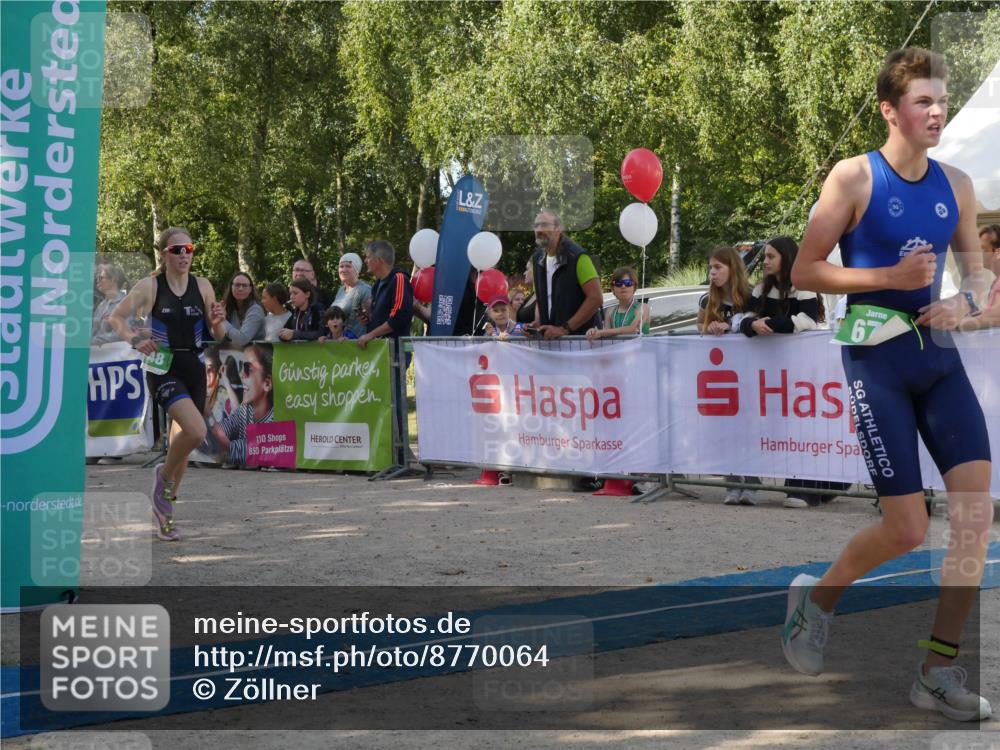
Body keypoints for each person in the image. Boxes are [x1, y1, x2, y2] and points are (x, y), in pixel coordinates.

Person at [787, 48, 993, 720]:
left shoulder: (957, 184)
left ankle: (937, 671)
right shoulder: (853, 177)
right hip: (876, 361)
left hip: (939, 359)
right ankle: (817, 600)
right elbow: (804, 270)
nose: (937, 112)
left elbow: (979, 276)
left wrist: (965, 302)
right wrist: (888, 279)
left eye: (942, 101)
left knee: (974, 517)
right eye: (923, 101)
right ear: (889, 110)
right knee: (906, 529)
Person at [109, 226, 226, 541]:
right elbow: (116, 317)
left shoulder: (203, 286)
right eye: (176, 250)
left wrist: (218, 321)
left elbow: (218, 334)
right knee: (197, 431)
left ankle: (165, 515)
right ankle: (161, 478)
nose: (184, 255)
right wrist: (134, 338)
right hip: (163, 368)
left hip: (195, 368)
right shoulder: (150, 286)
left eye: (189, 249)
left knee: (183, 450)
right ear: (164, 254)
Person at [695, 247, 762, 505]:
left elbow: (758, 323)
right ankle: (732, 483)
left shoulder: (751, 296)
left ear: (732, 269)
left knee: (748, 429)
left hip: (748, 371)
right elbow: (699, 324)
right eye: (710, 267)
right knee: (725, 429)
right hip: (720, 374)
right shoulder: (707, 300)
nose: (712, 272)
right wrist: (709, 326)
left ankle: (752, 482)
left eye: (718, 267)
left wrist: (732, 326)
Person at [530, 209, 602, 339]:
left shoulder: (577, 256)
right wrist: (538, 323)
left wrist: (565, 329)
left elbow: (596, 298)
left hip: (582, 341)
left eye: (545, 225)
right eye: (536, 225)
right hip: (552, 343)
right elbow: (541, 299)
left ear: (558, 229)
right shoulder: (536, 259)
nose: (539, 230)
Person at [208, 343, 274, 468]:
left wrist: (208, 418)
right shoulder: (246, 409)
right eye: (240, 367)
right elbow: (226, 427)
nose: (241, 374)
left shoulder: (276, 418)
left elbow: (248, 450)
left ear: (267, 383)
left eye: (248, 368)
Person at [356, 240, 414, 350]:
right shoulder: (377, 285)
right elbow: (383, 318)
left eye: (368, 257)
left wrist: (371, 334)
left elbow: (399, 317)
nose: (365, 261)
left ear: (379, 260)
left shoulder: (399, 279)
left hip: (395, 352)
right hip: (379, 351)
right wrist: (368, 319)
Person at [586, 266, 651, 340]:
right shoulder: (610, 311)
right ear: (613, 288)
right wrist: (593, 332)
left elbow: (633, 329)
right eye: (618, 283)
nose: (623, 286)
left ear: (634, 287)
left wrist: (601, 332)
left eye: (628, 283)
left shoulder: (643, 307)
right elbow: (606, 336)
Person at [331, 252, 372, 338]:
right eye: (341, 266)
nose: (343, 270)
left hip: (357, 342)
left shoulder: (365, 290)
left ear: (356, 270)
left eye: (348, 266)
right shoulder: (340, 290)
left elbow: (372, 320)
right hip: (339, 342)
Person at [219, 271, 265, 346]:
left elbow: (241, 340)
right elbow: (217, 336)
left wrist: (222, 320)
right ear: (231, 287)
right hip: (232, 352)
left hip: (256, 353)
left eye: (244, 285)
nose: (240, 288)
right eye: (237, 285)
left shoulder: (256, 310)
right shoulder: (228, 307)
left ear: (250, 289)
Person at [91, 263, 130, 345]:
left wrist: (91, 342)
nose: (97, 281)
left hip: (116, 352)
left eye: (100, 277)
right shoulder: (101, 305)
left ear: (113, 279)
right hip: (96, 351)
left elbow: (121, 334)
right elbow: (93, 331)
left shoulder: (126, 302)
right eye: (96, 278)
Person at [516, 260, 538, 326]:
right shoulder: (531, 296)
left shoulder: (544, 296)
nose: (524, 273)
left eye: (527, 269)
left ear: (536, 270)